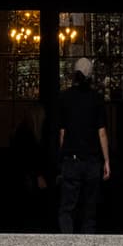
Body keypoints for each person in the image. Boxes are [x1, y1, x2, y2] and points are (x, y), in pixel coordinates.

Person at [51, 55, 111, 232]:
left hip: (72, 159)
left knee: (67, 208)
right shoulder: (97, 99)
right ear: (90, 76)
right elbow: (102, 132)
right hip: (92, 161)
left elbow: (62, 133)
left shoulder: (65, 98)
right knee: (89, 210)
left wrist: (61, 159)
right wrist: (106, 160)